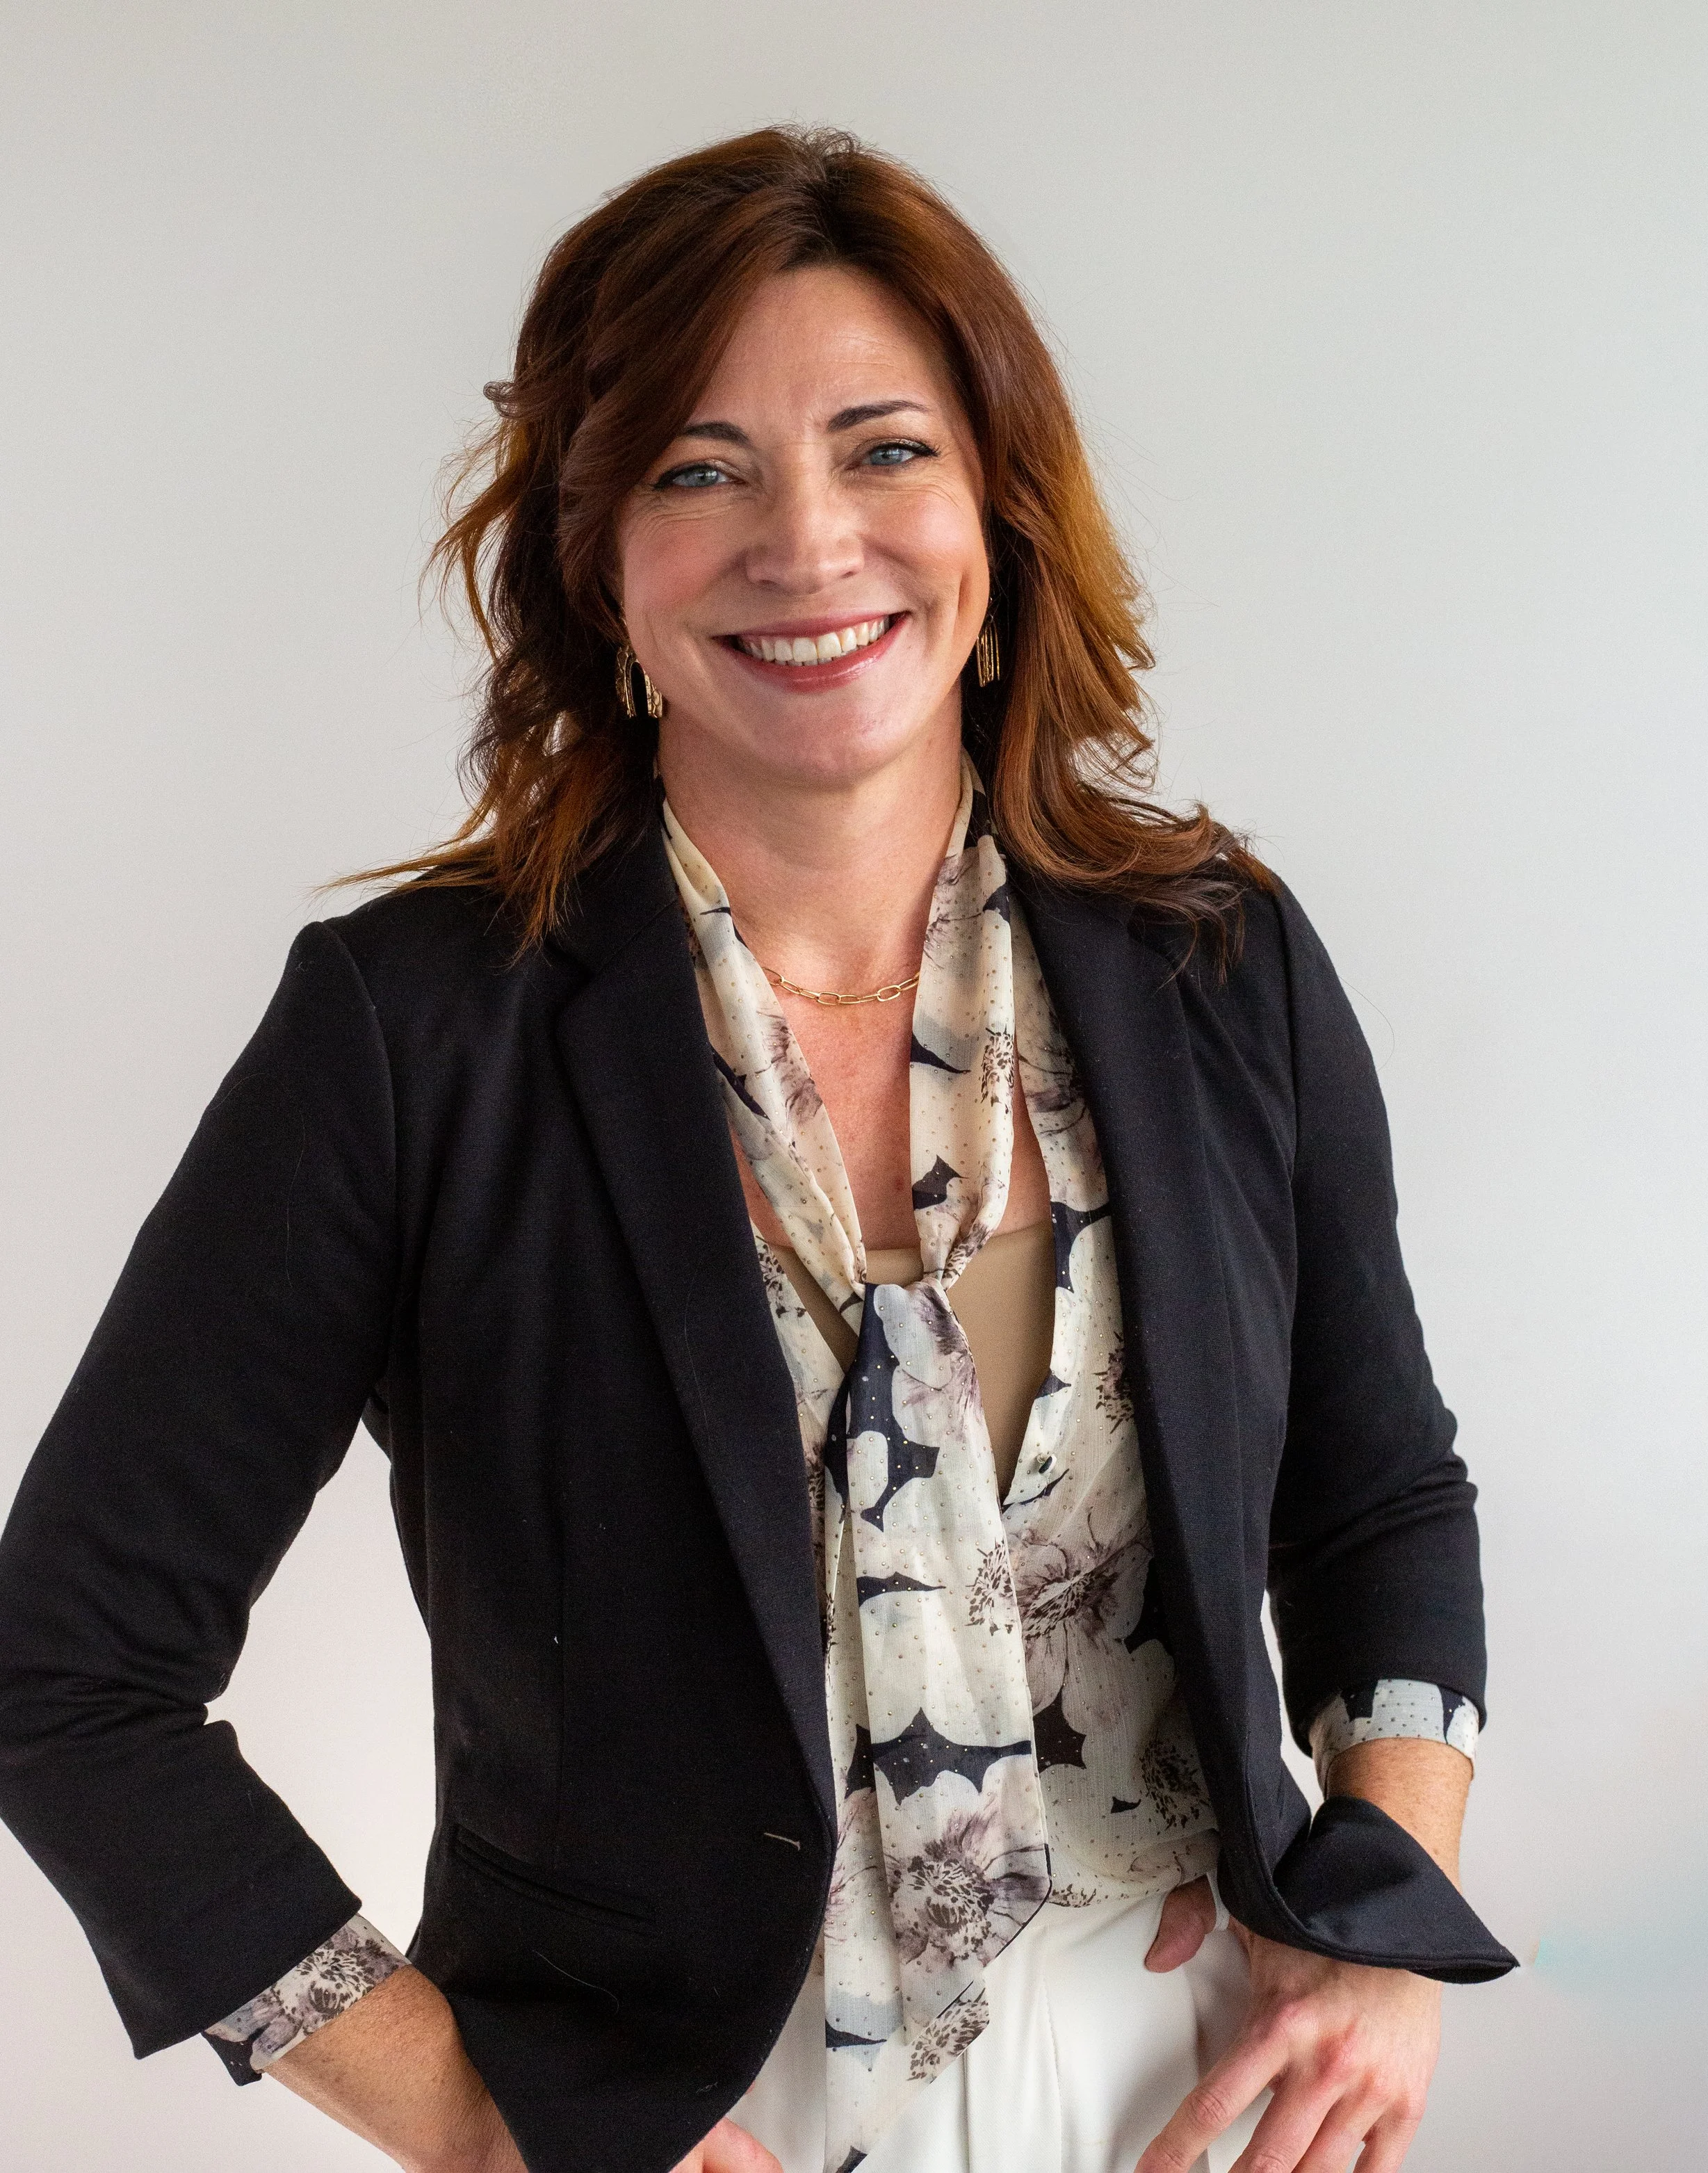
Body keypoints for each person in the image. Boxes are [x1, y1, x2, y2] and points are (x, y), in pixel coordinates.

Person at [0, 126, 1512, 2173]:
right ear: (595, 560)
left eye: (883, 448)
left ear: (997, 513)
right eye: (697, 469)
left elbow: (1380, 1499)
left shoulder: (1211, 966)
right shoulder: (413, 1028)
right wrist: (486, 2127)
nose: (805, 542)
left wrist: (1380, 1930)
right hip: (678, 2111)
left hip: (1192, 2079)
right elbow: (66, 1671)